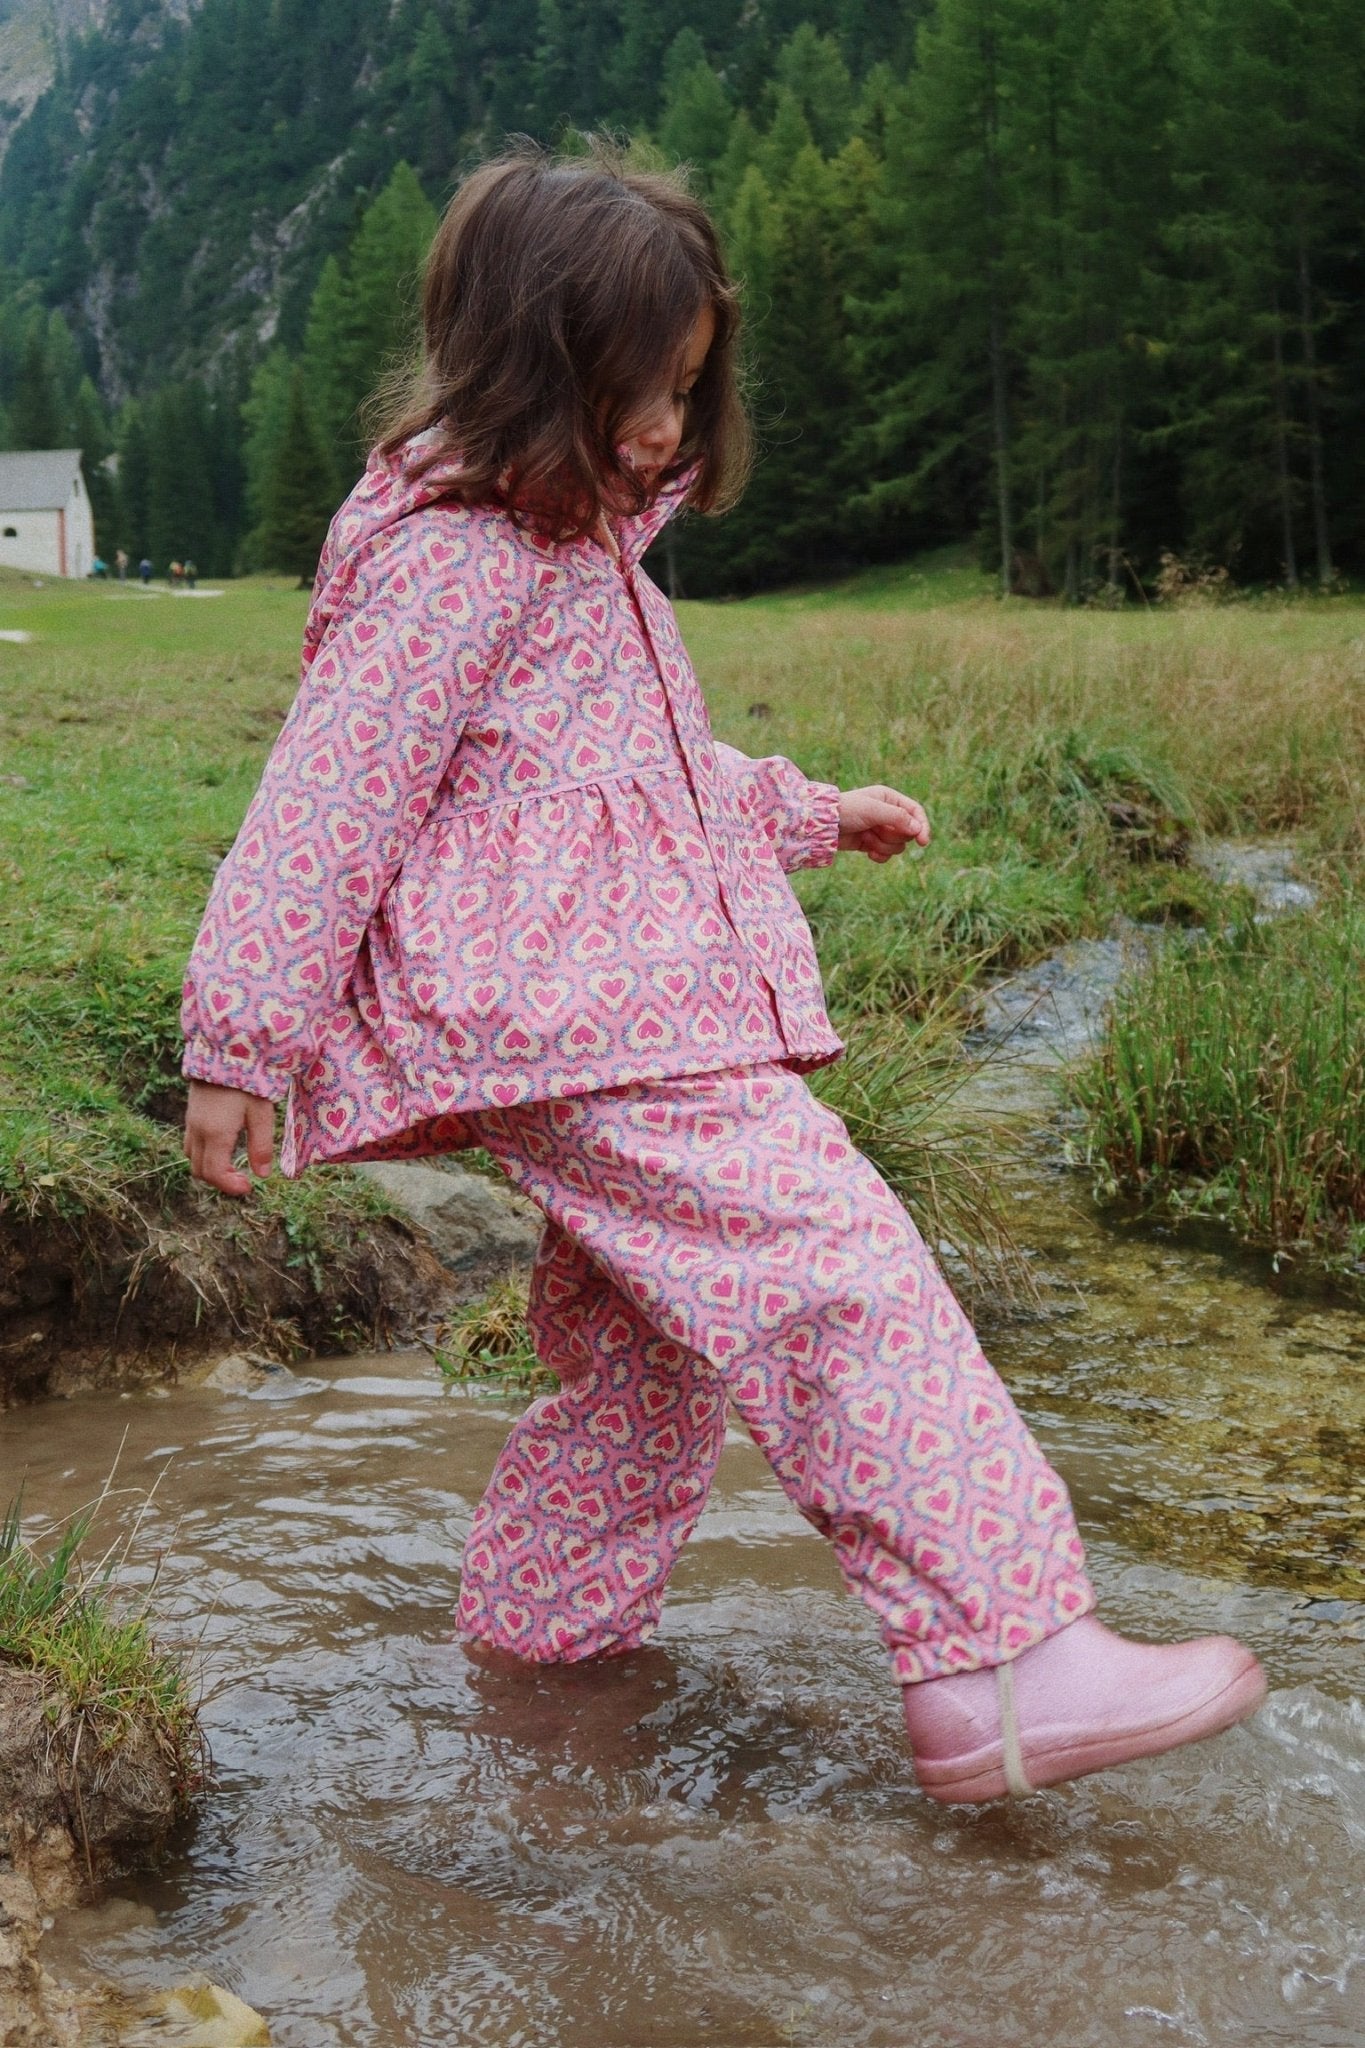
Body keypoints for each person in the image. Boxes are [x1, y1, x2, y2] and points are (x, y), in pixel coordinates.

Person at [179, 146, 1266, 1804]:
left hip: (599, 1008)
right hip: (588, 1020)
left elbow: (633, 777)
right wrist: (240, 1036)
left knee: (649, 1364)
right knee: (837, 1271)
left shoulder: (578, 556)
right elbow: (328, 798)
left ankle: (542, 1664)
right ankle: (999, 1662)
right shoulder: (456, 556)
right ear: (528, 362)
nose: (663, 426)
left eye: (685, 388)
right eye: (635, 386)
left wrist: (811, 813)